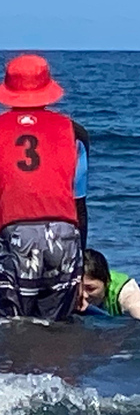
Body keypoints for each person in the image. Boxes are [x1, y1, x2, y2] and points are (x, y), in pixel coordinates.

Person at [0, 54, 89, 320]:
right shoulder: (74, 132)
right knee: (56, 327)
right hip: (64, 236)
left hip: (13, 233)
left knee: (11, 326)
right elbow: (79, 203)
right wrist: (81, 268)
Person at [80, 248, 140, 321]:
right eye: (78, 288)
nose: (84, 295)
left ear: (107, 282)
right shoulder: (70, 288)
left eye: (90, 289)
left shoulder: (127, 293)